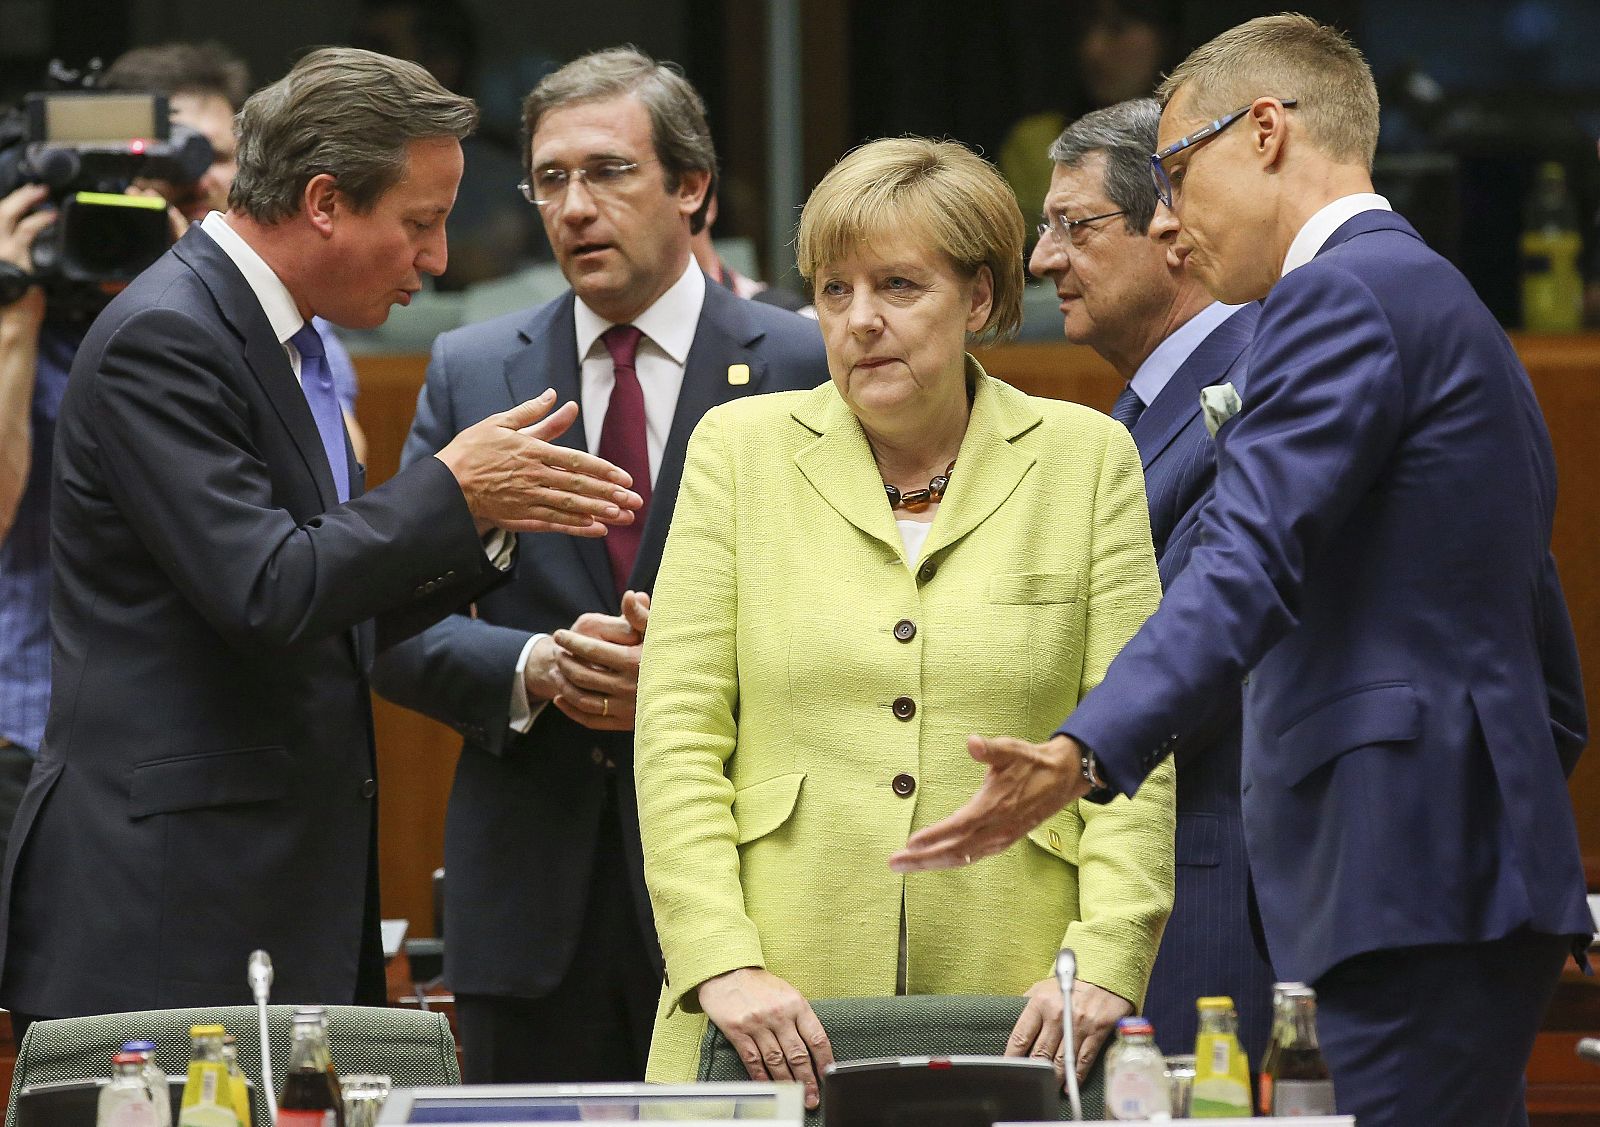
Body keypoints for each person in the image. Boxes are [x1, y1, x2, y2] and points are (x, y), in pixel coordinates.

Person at [894, 16, 1590, 1127]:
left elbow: (1244, 561)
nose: (1168, 216)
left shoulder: (1336, 294)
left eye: (1175, 171)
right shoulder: (1435, 296)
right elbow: (1549, 675)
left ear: (1263, 132)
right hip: (1451, 870)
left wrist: (1082, 749)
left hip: (1400, 875)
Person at [0, 47, 642, 1028]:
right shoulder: (165, 335)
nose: (435, 259)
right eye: (419, 224)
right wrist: (452, 490)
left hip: (268, 885)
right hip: (172, 908)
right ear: (324, 201)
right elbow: (268, 590)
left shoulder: (282, 336)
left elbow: (329, 606)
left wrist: (484, 521)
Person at [634, 137, 1175, 1109]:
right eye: (834, 291)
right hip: (774, 992)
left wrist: (1106, 956)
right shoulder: (737, 451)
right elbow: (676, 734)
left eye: (896, 285)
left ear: (977, 298)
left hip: (1018, 990)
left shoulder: (1084, 459)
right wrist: (719, 959)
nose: (860, 320)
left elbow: (1136, 741)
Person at [370, 47, 825, 1083]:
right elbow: (392, 626)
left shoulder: (798, 365)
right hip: (531, 899)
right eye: (550, 179)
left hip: (746, 900)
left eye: (609, 171)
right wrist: (535, 667)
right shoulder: (473, 369)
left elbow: (859, 616)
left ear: (693, 187)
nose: (574, 206)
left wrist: (689, 675)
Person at [1028, 96, 1273, 1064]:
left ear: (1172, 227)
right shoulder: (1140, 410)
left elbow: (1182, 661)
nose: (1045, 260)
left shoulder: (1252, 386)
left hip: (1205, 891)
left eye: (1073, 226)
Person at [103, 42, 368, 461]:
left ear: (249, 164)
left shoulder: (275, 298)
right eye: (163, 159)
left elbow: (341, 459)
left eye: (214, 155)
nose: (195, 178)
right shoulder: (41, 285)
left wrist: (204, 290)